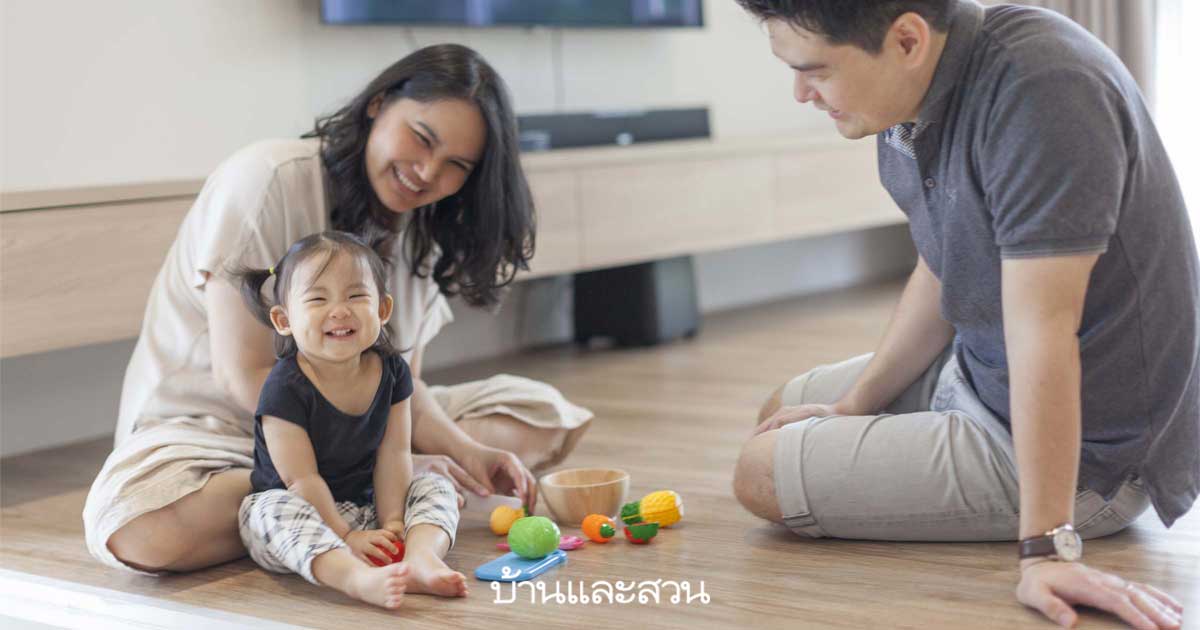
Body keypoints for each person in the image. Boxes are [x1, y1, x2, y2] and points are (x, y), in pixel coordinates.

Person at [729, 2, 1193, 629]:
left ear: (907, 40)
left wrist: (1046, 551)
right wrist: (854, 404)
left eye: (817, 71)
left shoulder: (1044, 92)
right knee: (780, 412)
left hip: (1092, 455)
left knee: (759, 473)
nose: (801, 94)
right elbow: (943, 261)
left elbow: (1044, 331)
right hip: (982, 369)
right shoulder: (909, 96)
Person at [83, 43, 593, 576]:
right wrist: (376, 464)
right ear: (378, 104)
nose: (426, 172)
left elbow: (401, 387)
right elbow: (244, 374)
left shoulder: (420, 226)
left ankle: (313, 513)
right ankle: (350, 495)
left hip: (358, 426)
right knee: (141, 530)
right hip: (216, 432)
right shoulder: (268, 179)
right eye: (422, 139)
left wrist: (469, 453)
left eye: (456, 166)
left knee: (544, 417)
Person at [234, 231, 466, 607]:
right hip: (304, 516)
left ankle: (421, 558)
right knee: (269, 510)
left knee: (435, 485)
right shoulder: (284, 388)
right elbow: (301, 479)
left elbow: (394, 454)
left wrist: (393, 522)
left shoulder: (392, 370)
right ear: (283, 319)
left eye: (356, 296)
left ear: (383, 310)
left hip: (367, 507)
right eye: (318, 299)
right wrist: (344, 535)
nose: (340, 310)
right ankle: (353, 577)